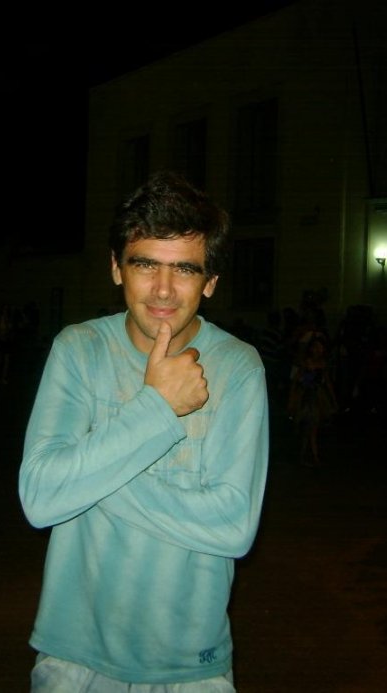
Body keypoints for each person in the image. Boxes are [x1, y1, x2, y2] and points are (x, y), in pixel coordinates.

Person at [18, 171, 269, 690]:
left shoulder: (237, 368)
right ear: (116, 268)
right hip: (75, 656)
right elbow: (40, 499)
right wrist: (157, 408)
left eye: (184, 269)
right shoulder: (79, 350)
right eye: (145, 264)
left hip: (190, 663)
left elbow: (233, 528)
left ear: (211, 281)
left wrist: (85, 475)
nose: (163, 289)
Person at [286, 333, 337, 467]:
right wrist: (293, 398)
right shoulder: (306, 362)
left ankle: (310, 455)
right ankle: (310, 455)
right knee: (307, 427)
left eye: (320, 347)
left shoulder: (323, 364)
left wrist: (333, 399)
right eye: (316, 347)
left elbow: (328, 382)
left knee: (312, 428)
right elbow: (296, 381)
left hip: (317, 397)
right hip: (306, 397)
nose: (318, 350)